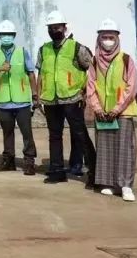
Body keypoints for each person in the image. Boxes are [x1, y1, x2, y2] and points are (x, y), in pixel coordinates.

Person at [37, 10, 96, 186]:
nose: (54, 30)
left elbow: (93, 70)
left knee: (80, 134)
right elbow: (41, 74)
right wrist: (39, 97)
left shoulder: (77, 48)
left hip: (72, 98)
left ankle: (94, 171)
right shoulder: (44, 49)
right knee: (54, 136)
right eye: (51, 28)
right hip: (51, 100)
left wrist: (86, 93)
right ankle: (57, 171)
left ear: (64, 28)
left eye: (57, 27)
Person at [86, 20, 137, 202]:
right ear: (99, 39)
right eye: (104, 37)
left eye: (111, 37)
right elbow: (90, 87)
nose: (108, 41)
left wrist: (117, 108)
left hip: (122, 111)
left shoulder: (126, 59)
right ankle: (107, 183)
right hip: (102, 112)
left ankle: (125, 185)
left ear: (117, 39)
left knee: (125, 149)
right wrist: (97, 107)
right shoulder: (94, 61)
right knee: (105, 148)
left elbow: (131, 87)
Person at [0, 20, 39, 175]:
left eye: (9, 34)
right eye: (4, 34)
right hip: (3, 102)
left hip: (22, 101)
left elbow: (31, 73)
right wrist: (0, 68)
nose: (7, 37)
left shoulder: (22, 52)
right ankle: (8, 161)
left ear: (14, 35)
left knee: (27, 133)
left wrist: (35, 95)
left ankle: (29, 162)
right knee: (7, 133)